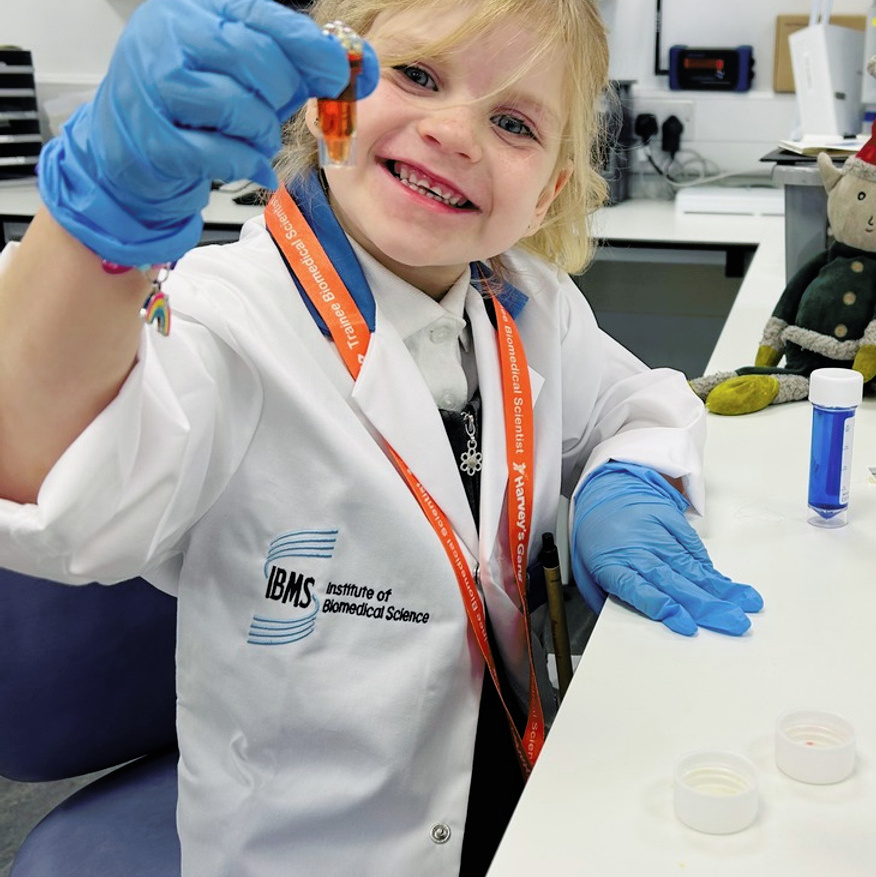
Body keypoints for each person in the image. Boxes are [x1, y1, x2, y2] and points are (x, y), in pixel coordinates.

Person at [0, 0, 763, 874]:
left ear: (548, 189)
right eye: (418, 75)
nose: (455, 132)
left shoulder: (527, 304)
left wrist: (623, 482)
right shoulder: (227, 316)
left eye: (513, 122)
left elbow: (643, 403)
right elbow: (51, 479)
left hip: (509, 801)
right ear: (325, 95)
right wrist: (97, 213)